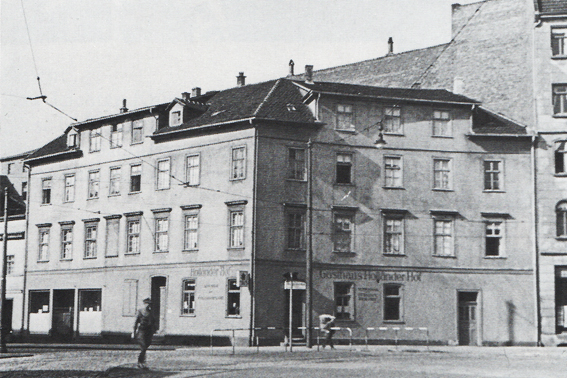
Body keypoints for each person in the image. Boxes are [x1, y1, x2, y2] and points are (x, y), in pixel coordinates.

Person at [133, 298, 157, 369]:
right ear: (144, 304)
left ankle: (142, 363)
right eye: (147, 303)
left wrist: (153, 330)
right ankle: (140, 362)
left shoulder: (150, 312)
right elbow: (135, 322)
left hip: (148, 332)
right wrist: (133, 332)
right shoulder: (140, 311)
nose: (148, 305)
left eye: (149, 304)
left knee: (145, 346)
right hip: (142, 331)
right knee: (143, 347)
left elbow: (153, 321)